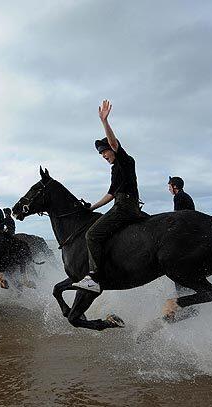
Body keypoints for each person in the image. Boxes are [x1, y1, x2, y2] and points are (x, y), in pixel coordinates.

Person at [73, 100, 143, 293]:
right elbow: (111, 194)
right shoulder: (115, 170)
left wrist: (104, 121)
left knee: (92, 235)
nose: (103, 155)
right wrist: (91, 208)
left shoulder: (125, 161)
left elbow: (113, 142)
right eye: (101, 154)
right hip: (120, 204)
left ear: (113, 149)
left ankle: (94, 279)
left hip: (125, 207)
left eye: (105, 152)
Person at [168, 176, 196, 298]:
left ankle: (182, 296)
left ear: (175, 186)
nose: (168, 189)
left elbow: (177, 217)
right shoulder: (184, 196)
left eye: (169, 186)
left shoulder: (179, 197)